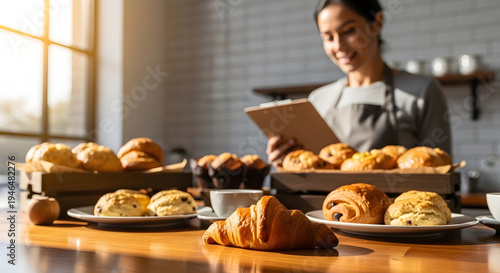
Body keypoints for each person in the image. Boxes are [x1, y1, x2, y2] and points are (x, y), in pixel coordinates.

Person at [267, 0, 451, 164]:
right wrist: (286, 163)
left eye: (349, 31)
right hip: (329, 203)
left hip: (398, 203)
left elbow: (440, 172)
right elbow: (312, 178)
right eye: (328, 37)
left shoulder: (421, 91)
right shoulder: (318, 100)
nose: (339, 46)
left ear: (377, 23)